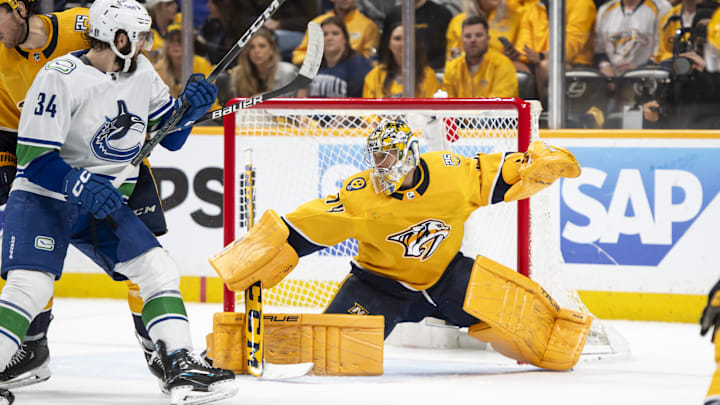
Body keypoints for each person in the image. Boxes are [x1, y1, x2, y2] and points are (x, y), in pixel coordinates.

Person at [211, 119, 590, 374]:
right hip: (377, 288)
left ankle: (555, 344)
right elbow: (309, 226)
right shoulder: (360, 197)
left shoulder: (451, 174)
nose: (381, 165)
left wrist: (530, 167)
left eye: (389, 157)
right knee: (326, 353)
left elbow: (494, 175)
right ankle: (232, 347)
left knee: (523, 319)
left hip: (446, 278)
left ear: (410, 153)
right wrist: (270, 247)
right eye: (376, 157)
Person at [0, 0, 238, 404]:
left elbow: (171, 138)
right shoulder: (58, 77)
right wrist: (78, 182)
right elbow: (34, 160)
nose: (148, 43)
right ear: (119, 37)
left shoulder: (142, 71)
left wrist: (191, 108)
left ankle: (178, 364)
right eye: (142, 35)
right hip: (43, 200)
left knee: (157, 267)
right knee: (32, 285)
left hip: (102, 203)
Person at [642, 8, 720, 128]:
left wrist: (707, 72)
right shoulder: (681, 66)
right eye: (700, 28)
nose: (704, 32)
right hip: (682, 137)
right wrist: (654, 118)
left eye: (709, 28)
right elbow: (664, 120)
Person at [511, 0, 596, 99]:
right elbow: (524, 43)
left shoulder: (582, 3)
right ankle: (524, 111)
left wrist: (542, 56)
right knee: (510, 66)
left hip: (574, 63)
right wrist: (518, 55)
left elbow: (571, 46)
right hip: (536, 60)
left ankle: (547, 111)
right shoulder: (534, 6)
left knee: (546, 66)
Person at [216, 27, 298, 106]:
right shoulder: (237, 74)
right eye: (252, 47)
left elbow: (290, 107)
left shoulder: (288, 72)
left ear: (271, 50)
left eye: (262, 46)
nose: (257, 51)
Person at [442, 15, 518, 97]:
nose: (473, 40)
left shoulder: (503, 65)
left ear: (488, 38)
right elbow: (447, 103)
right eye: (468, 36)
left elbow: (500, 105)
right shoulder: (453, 67)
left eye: (478, 35)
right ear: (461, 40)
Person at [154, 23, 220, 110]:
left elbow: (208, 97)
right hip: (170, 117)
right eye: (171, 40)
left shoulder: (201, 64)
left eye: (180, 40)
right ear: (166, 45)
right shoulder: (159, 69)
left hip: (203, 115)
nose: (176, 44)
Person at [292, 0, 379, 66]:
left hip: (353, 75)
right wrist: (322, 61)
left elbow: (371, 60)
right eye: (325, 34)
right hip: (320, 72)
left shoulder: (368, 26)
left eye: (334, 33)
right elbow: (298, 56)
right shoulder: (317, 23)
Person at [363, 24, 440, 98]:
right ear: (389, 44)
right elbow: (369, 110)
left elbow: (431, 109)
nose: (403, 44)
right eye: (397, 38)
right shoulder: (375, 76)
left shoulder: (427, 75)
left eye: (407, 38)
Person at [594, 0, 664, 76]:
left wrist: (639, 68)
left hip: (646, 76)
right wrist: (605, 66)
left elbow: (662, 51)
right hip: (612, 77)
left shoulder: (661, 8)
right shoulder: (605, 9)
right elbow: (599, 49)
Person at [308, 17, 373, 98]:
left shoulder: (359, 64)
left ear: (345, 39)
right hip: (315, 110)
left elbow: (358, 102)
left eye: (335, 33)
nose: (329, 38)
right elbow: (301, 99)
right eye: (324, 34)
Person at [381, 0, 453, 69]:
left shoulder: (442, 14)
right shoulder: (392, 15)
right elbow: (383, 51)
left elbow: (451, 50)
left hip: (436, 72)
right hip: (398, 74)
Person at [446, 0, 522, 63]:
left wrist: (514, 57)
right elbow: (451, 60)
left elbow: (523, 59)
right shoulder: (457, 22)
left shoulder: (516, 18)